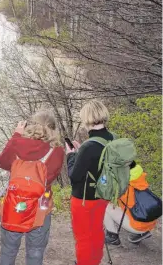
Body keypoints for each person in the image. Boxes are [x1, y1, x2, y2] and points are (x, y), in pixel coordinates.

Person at [0, 111, 65, 265]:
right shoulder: (57, 151)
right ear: (53, 129)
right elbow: (52, 176)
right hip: (41, 206)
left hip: (15, 205)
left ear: (31, 125)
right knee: (35, 252)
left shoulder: (17, 144)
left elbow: (2, 163)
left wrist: (16, 135)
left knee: (8, 249)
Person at [67, 99, 112, 265]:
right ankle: (95, 261)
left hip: (84, 199)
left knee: (83, 237)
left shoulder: (88, 147)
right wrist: (79, 153)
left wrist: (71, 155)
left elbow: (74, 177)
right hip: (104, 195)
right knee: (97, 230)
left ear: (86, 119)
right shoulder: (113, 139)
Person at [104, 161, 157, 245]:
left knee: (105, 206)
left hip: (139, 225)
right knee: (129, 205)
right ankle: (141, 233)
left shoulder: (123, 184)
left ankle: (112, 236)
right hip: (149, 222)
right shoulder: (138, 176)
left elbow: (105, 195)